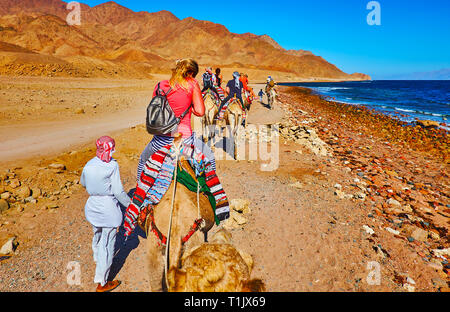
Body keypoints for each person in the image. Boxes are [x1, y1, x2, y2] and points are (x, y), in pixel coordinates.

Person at [126, 59, 230, 237]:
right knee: (209, 157)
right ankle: (214, 197)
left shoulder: (161, 85)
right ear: (191, 73)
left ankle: (140, 199)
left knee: (143, 161)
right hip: (185, 140)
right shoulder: (192, 84)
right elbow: (200, 111)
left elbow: (155, 107)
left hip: (161, 140)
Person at [80, 136, 131, 293]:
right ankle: (102, 282)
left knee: (97, 233)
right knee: (107, 245)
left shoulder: (89, 164)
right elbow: (118, 191)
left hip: (92, 206)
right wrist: (131, 205)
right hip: (107, 208)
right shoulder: (112, 166)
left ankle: (98, 259)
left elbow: (83, 183)